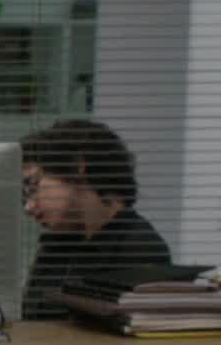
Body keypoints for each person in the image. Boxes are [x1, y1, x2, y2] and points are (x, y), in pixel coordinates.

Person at [20, 119, 172, 319]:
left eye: (33, 186)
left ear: (77, 166)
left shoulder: (141, 248)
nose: (29, 207)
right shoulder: (57, 245)